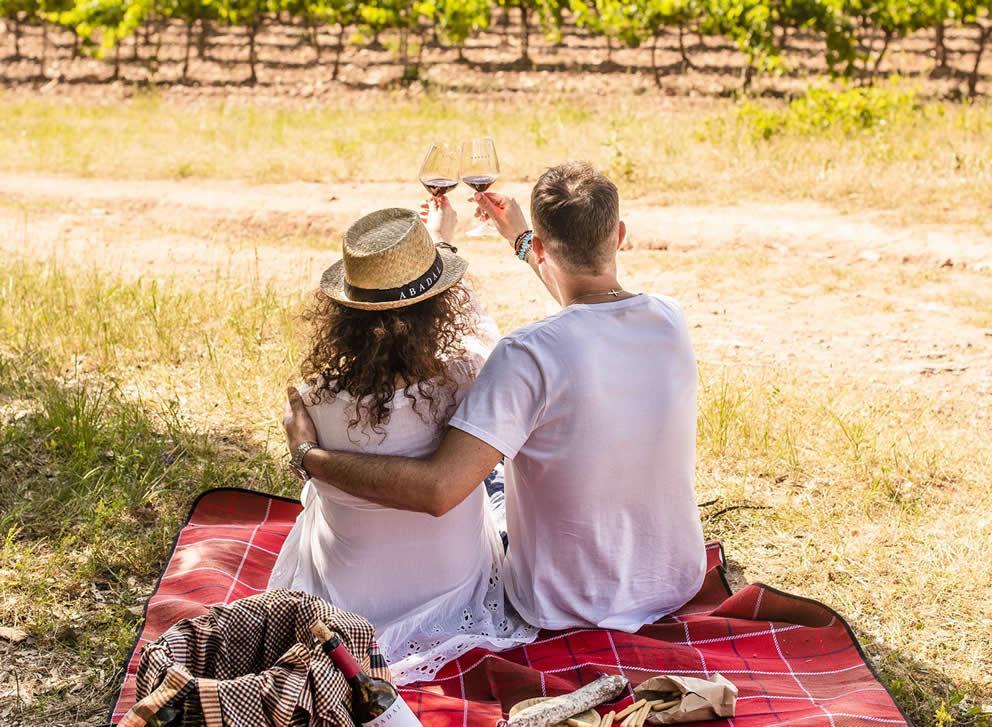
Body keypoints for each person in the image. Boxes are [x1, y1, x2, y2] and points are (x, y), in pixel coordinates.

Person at [283, 162, 707, 633]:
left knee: (488, 483)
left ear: (545, 248)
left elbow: (441, 489)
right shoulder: (670, 320)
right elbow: (588, 303)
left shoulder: (527, 355)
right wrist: (521, 240)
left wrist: (309, 455)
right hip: (674, 580)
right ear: (620, 235)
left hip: (566, 602)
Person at [268, 205, 536, 685]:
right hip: (456, 590)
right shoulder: (468, 377)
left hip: (347, 607)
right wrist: (443, 242)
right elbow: (482, 333)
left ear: (343, 313)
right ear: (440, 305)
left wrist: (307, 457)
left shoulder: (310, 403)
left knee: (315, 496)